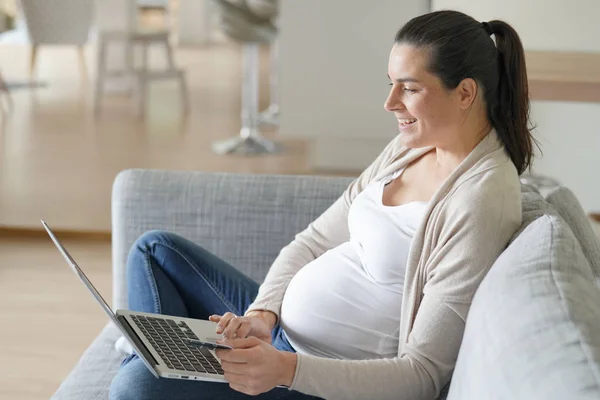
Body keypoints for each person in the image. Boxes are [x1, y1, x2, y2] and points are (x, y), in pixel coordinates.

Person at [109, 9, 533, 400]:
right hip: (275, 341)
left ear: (465, 93)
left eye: (410, 88)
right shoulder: (412, 148)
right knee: (155, 251)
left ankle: (158, 362)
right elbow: (312, 241)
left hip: (311, 380)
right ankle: (167, 356)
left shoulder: (479, 201)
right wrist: (262, 315)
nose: (390, 103)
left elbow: (422, 374)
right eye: (391, 84)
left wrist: (283, 370)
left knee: (135, 385)